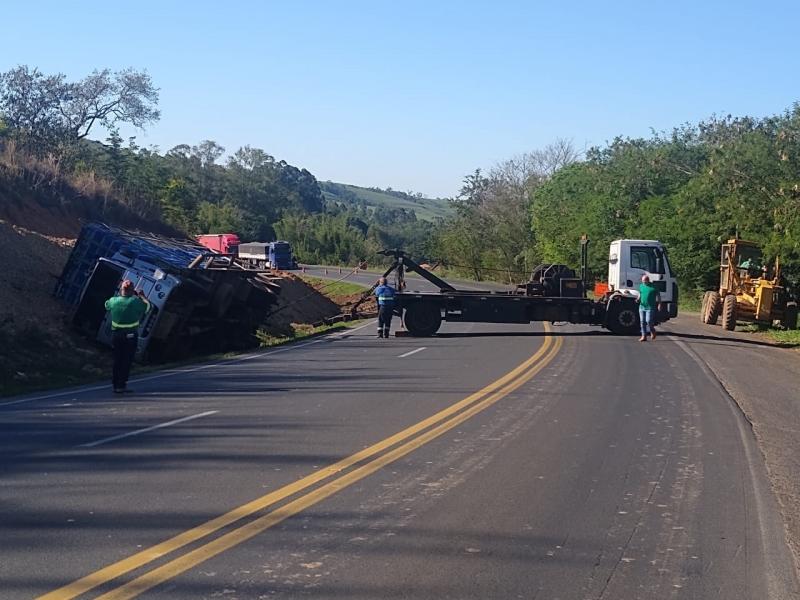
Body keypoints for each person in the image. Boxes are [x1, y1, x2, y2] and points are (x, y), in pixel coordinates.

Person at [104, 279, 150, 393]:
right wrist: (142, 296)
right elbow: (148, 307)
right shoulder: (134, 302)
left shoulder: (114, 301)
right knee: (126, 361)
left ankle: (115, 384)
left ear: (121, 290)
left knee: (117, 360)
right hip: (130, 336)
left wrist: (119, 295)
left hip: (116, 335)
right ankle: (121, 385)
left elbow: (107, 305)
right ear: (131, 291)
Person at [637, 274, 661, 342]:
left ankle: (652, 330)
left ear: (648, 280)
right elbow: (640, 293)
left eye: (644, 281)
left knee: (648, 321)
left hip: (650, 307)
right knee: (642, 322)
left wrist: (659, 304)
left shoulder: (653, 287)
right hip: (642, 306)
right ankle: (643, 336)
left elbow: (658, 296)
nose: (643, 283)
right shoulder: (641, 286)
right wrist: (638, 299)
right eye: (642, 281)